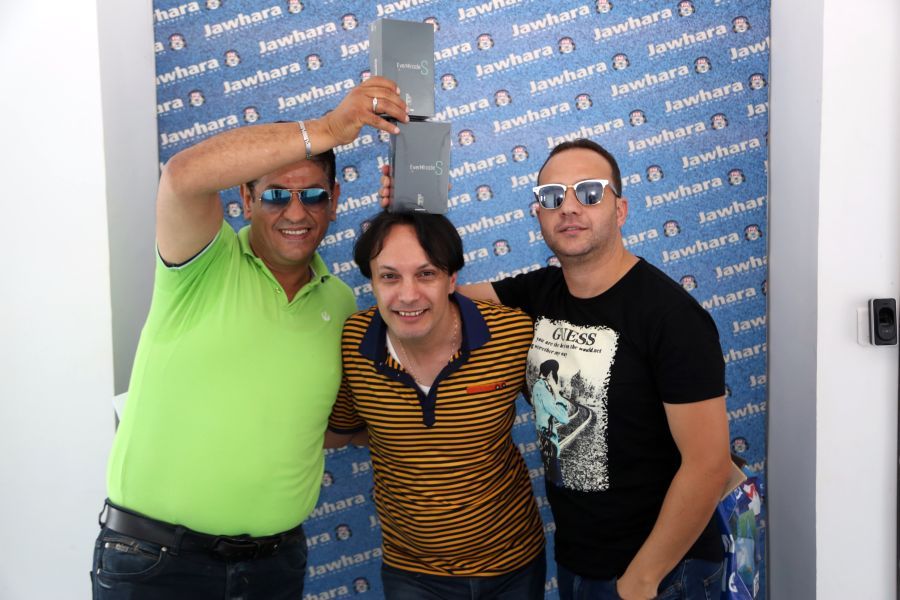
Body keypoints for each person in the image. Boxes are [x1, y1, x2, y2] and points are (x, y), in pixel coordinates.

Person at [92, 77, 408, 600]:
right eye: (276, 195)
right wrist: (329, 129)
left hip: (272, 568)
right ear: (245, 197)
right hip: (157, 564)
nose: (295, 213)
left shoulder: (340, 305)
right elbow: (183, 176)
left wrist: (405, 217)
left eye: (312, 196)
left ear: (334, 201)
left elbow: (329, 428)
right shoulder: (201, 262)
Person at [381, 138, 733, 599]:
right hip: (579, 562)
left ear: (620, 209)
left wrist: (644, 577)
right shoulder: (540, 293)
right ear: (539, 215)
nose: (568, 207)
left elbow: (708, 465)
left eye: (589, 192)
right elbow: (432, 297)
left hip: (664, 573)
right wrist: (409, 223)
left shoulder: (671, 317)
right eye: (551, 196)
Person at [326, 211, 546, 600]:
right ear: (372, 282)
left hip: (513, 562)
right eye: (389, 276)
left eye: (426, 274)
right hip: (413, 573)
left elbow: (563, 420)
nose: (408, 295)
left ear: (452, 279)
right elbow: (343, 432)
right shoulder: (354, 345)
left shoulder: (512, 334)